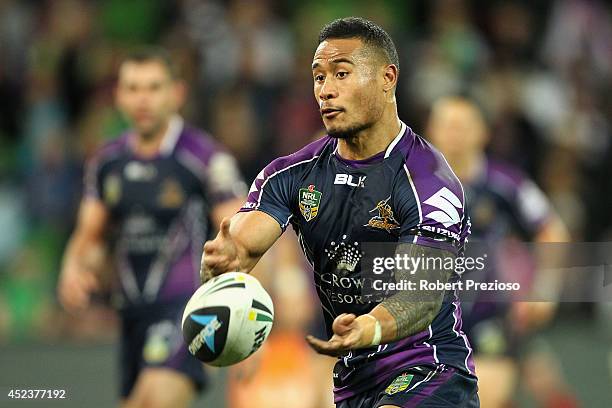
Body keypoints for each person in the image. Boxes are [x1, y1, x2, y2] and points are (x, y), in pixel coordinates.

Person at [202, 17, 479, 407]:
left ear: (388, 79)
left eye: (341, 74)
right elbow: (243, 246)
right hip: (352, 380)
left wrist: (368, 327)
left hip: (428, 370)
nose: (326, 91)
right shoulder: (291, 175)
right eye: (318, 78)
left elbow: (421, 296)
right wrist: (223, 263)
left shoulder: (429, 181)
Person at [57, 47, 246, 408]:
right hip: (131, 315)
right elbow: (91, 237)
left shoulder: (204, 157)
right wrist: (74, 267)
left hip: (188, 307)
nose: (143, 99)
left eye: (154, 87)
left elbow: (242, 236)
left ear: (177, 94)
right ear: (118, 96)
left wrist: (245, 321)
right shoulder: (106, 163)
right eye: (133, 88)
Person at [427, 96, 572, 408]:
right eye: (446, 125)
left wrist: (544, 291)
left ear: (483, 132)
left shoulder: (507, 184)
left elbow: (552, 231)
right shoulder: (407, 184)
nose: (454, 134)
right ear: (431, 131)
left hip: (487, 319)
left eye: (463, 126)